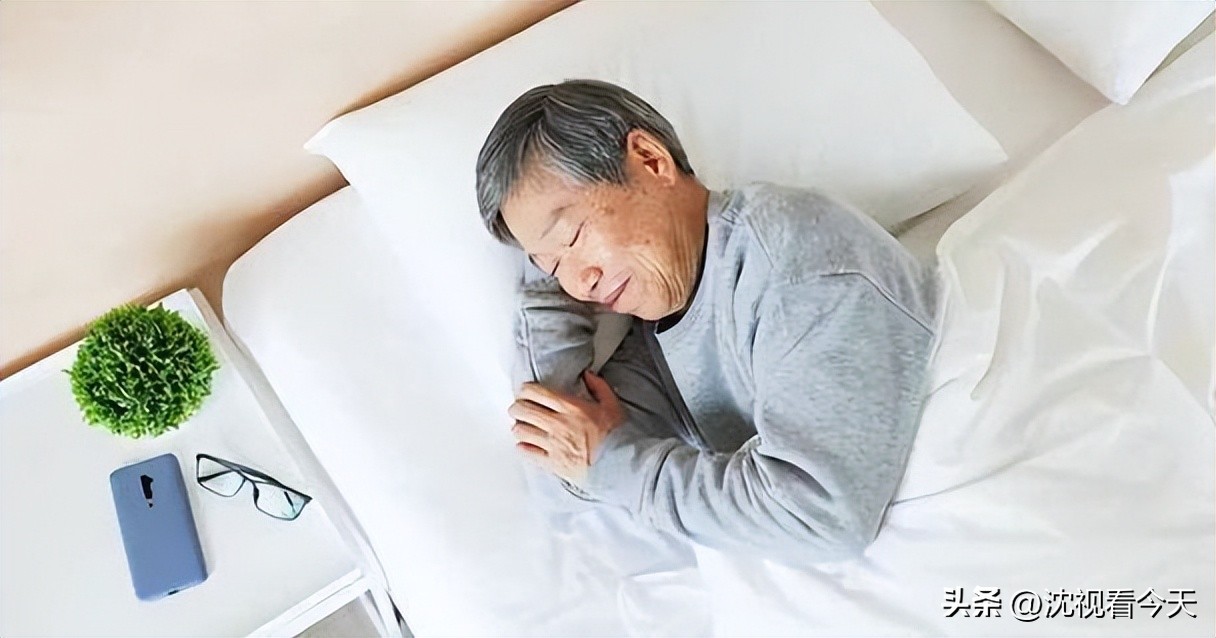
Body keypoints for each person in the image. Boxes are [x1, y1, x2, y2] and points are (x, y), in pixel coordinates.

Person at [474, 79, 936, 565]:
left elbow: (820, 514)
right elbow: (565, 472)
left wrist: (615, 463)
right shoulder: (659, 332)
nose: (579, 283)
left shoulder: (798, 259)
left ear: (651, 160)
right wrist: (546, 291)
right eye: (552, 267)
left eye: (573, 236)